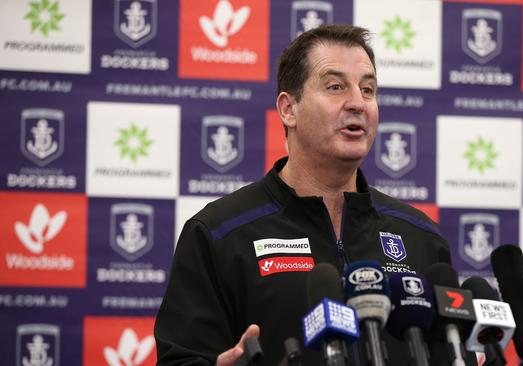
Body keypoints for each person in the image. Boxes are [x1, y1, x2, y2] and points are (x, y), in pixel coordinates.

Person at [154, 24, 450, 366]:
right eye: (336, 86)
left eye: (368, 89)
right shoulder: (219, 233)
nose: (357, 102)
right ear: (288, 109)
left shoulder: (421, 237)